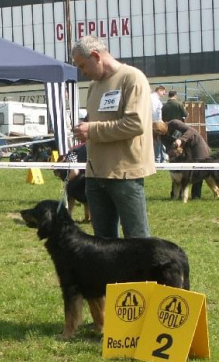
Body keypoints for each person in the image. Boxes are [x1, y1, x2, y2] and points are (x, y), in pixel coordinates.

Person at [72, 35, 155, 239]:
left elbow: (135, 124)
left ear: (96, 56)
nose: (83, 72)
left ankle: (140, 273)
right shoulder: (94, 85)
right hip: (95, 175)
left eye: (83, 66)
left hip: (125, 175)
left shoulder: (132, 78)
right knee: (102, 245)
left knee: (137, 241)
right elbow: (95, 122)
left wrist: (91, 130)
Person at [154, 119, 210, 199]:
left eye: (161, 132)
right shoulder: (162, 136)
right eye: (158, 133)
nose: (161, 134)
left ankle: (196, 196)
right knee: (178, 171)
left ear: (163, 127)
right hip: (182, 152)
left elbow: (191, 131)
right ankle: (177, 195)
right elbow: (169, 148)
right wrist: (173, 151)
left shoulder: (174, 123)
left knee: (198, 170)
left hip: (195, 145)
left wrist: (181, 139)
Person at [151, 86, 166, 162]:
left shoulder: (154, 99)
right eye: (163, 92)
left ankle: (159, 159)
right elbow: (154, 113)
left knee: (158, 143)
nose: (164, 94)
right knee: (157, 143)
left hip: (155, 123)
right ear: (159, 90)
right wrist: (156, 124)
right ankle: (157, 160)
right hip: (155, 124)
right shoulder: (154, 99)